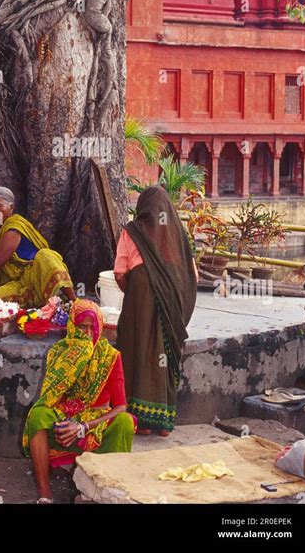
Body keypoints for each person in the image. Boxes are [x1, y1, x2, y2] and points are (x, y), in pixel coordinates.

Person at [23, 299, 136, 504]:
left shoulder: (110, 356)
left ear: (100, 328)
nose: (87, 333)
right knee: (38, 414)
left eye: (92, 328)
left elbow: (120, 406)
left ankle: (108, 487)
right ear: (72, 327)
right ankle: (45, 493)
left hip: (93, 423)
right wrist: (69, 421)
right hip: (65, 420)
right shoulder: (59, 352)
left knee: (125, 422)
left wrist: (83, 427)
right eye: (82, 327)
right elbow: (49, 398)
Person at [114, 185, 198, 437]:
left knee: (135, 350)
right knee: (165, 354)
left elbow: (119, 273)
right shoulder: (178, 235)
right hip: (171, 308)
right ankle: (163, 423)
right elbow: (192, 276)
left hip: (138, 304)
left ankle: (139, 421)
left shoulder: (131, 232)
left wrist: (135, 291)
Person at [0, 186, 76, 306]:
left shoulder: (14, 227)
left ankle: (74, 302)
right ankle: (41, 301)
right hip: (18, 281)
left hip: (36, 274)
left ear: (11, 208)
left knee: (45, 256)